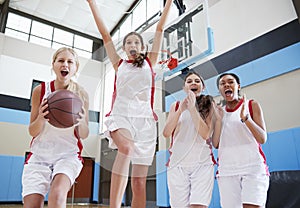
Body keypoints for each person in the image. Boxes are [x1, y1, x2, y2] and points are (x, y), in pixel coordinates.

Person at [87, 0, 172, 207]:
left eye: (136, 42)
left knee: (139, 183)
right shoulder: (119, 64)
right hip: (121, 116)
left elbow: (160, 27)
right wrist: (92, 3)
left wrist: (168, 2)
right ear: (124, 48)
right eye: (128, 43)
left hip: (145, 123)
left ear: (143, 47)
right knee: (126, 148)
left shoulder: (150, 62)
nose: (132, 45)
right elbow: (105, 35)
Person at [22, 47, 89, 208]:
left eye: (70, 61)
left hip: (68, 155)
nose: (65, 64)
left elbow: (85, 134)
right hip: (39, 155)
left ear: (75, 68)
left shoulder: (81, 94)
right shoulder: (41, 90)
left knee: (57, 195)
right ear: (53, 64)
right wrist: (41, 118)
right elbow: (32, 130)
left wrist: (81, 122)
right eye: (61, 60)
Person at [212, 73, 269, 208]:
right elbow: (216, 144)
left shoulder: (251, 105)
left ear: (238, 86)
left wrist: (246, 118)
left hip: (253, 168)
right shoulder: (219, 112)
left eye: (230, 82)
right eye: (222, 83)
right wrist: (219, 120)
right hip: (227, 170)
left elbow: (262, 138)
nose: (226, 85)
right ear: (220, 90)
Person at [163, 72, 216, 208]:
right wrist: (181, 110)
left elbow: (205, 134)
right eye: (189, 81)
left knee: (198, 206)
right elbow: (166, 132)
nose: (193, 83)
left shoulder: (209, 104)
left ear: (202, 87)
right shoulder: (175, 106)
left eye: (197, 81)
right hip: (178, 164)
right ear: (184, 87)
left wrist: (192, 109)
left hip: (202, 163)